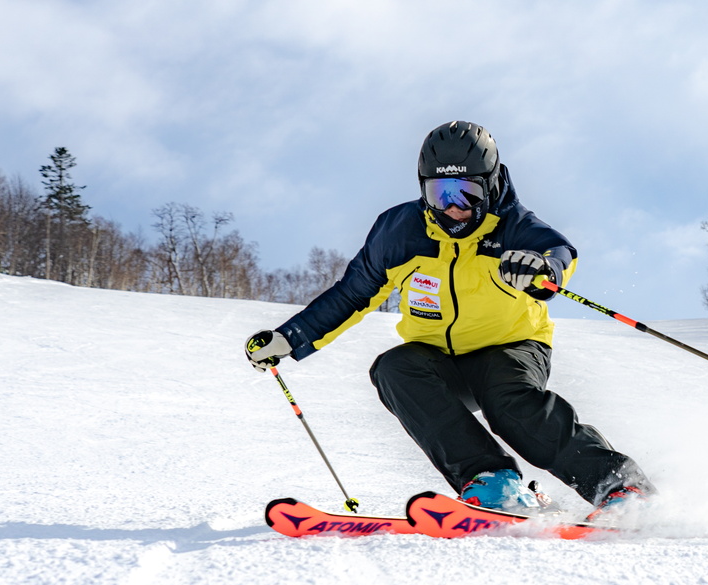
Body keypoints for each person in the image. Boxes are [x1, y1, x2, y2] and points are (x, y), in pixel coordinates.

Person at [245, 120, 654, 518]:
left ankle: (621, 487)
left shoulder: (513, 226)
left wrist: (541, 270)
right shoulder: (400, 232)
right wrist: (289, 338)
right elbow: (353, 294)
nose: (455, 207)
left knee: (508, 401)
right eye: (440, 193)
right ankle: (492, 480)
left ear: (491, 186)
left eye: (468, 193)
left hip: (511, 346)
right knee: (394, 369)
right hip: (440, 360)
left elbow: (558, 254)